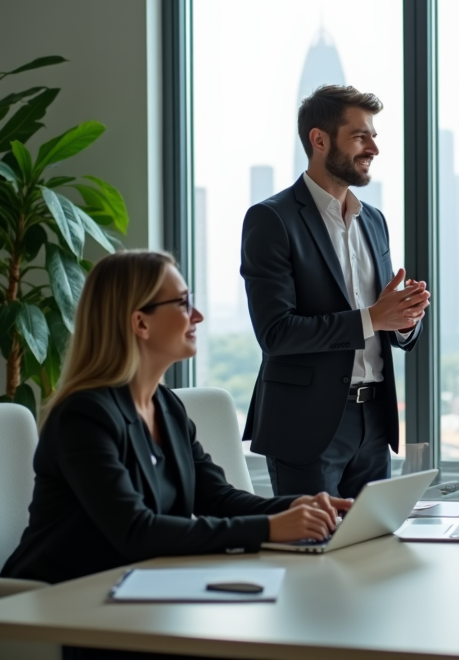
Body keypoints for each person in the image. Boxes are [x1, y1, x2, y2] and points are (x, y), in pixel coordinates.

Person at [1, 251, 351, 659]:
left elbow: (217, 497)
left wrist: (299, 509)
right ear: (140, 322)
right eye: (183, 303)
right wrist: (272, 529)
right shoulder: (84, 416)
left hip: (135, 596)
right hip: (61, 608)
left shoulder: (165, 406)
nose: (197, 315)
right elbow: (136, 531)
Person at [241, 85, 429, 497]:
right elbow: (276, 333)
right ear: (319, 140)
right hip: (305, 424)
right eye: (361, 136)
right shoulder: (271, 219)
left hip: (375, 423)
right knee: (312, 551)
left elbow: (383, 321)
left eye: (374, 137)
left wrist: (403, 319)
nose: (374, 149)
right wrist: (373, 318)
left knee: (372, 552)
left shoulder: (373, 220)